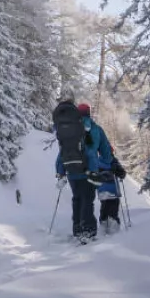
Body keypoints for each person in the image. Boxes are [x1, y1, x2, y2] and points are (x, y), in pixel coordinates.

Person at [54, 99, 112, 242]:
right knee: (87, 199)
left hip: (71, 170)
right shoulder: (95, 129)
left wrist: (60, 171)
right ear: (89, 113)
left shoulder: (70, 130)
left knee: (77, 198)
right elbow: (105, 151)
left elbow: (62, 152)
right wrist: (107, 162)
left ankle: (77, 230)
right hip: (89, 170)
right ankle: (88, 231)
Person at [95, 154, 126, 234]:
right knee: (113, 207)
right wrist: (121, 174)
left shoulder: (97, 161)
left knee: (104, 207)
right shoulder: (113, 160)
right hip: (113, 190)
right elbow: (122, 174)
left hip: (101, 190)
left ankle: (103, 225)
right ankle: (113, 227)